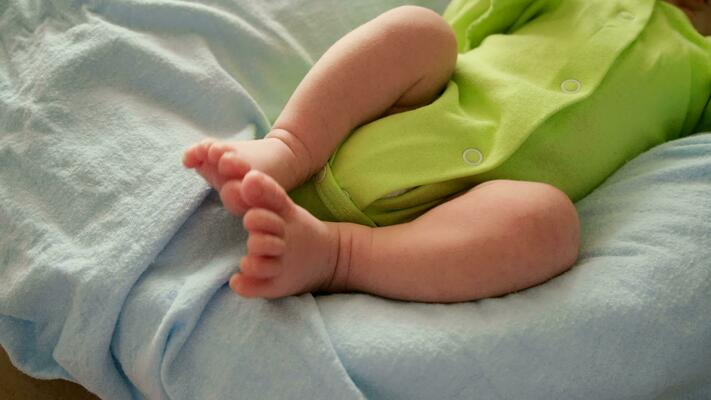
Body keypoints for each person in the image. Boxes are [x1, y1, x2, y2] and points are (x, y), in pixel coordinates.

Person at [182, 0, 711, 302]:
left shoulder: (703, 69)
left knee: (551, 225)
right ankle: (286, 149)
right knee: (422, 31)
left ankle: (335, 254)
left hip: (462, 217)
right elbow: (478, 16)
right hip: (419, 113)